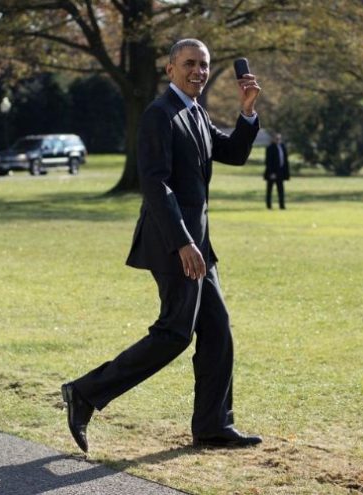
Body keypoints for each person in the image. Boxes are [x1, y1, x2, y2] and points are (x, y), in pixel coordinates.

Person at [61, 38, 263, 453]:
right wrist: (184, 243)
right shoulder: (159, 115)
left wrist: (247, 112)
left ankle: (212, 426)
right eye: (189, 63)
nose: (199, 71)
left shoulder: (195, 112)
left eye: (204, 65)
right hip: (174, 245)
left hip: (199, 246)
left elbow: (234, 153)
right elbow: (156, 184)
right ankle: (84, 393)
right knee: (174, 332)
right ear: (170, 69)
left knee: (218, 331)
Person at [264, 133, 290, 209]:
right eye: (276, 138)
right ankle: (269, 206)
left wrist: (286, 173)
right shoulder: (270, 148)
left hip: (280, 172)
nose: (278, 140)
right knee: (270, 190)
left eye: (279, 138)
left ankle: (282, 206)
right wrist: (271, 173)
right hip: (272, 173)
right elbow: (268, 162)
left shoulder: (282, 147)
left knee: (281, 190)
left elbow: (285, 161)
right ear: (273, 139)